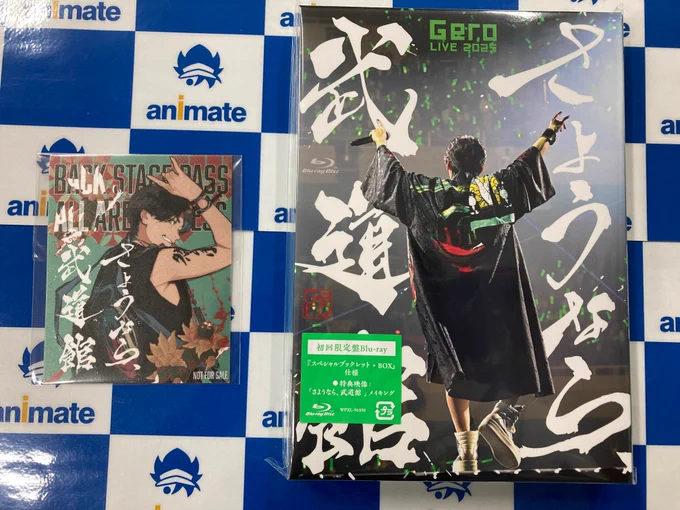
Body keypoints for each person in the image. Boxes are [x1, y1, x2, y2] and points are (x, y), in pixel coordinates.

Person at [362, 113, 568, 473]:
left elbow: (392, 175)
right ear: (482, 166)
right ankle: (502, 415)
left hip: (447, 306)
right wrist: (549, 133)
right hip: (495, 301)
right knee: (519, 351)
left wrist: (380, 140)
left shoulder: (423, 192)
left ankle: (466, 452)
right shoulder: (498, 189)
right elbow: (527, 164)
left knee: (454, 368)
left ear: (448, 164)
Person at [64, 156, 232, 383]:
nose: (175, 237)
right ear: (146, 215)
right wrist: (197, 196)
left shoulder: (112, 258)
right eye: (173, 223)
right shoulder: (165, 260)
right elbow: (230, 249)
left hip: (123, 381)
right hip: (169, 383)